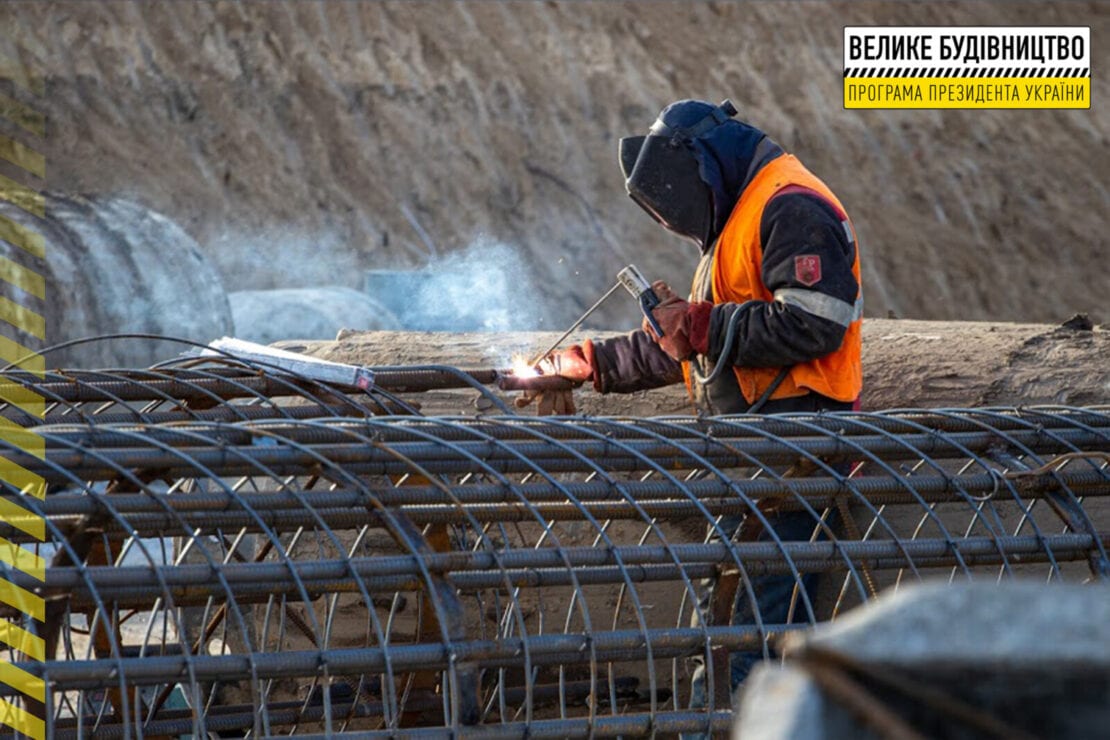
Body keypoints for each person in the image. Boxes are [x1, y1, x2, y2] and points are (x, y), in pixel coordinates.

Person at [528, 99, 863, 718]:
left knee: (760, 640)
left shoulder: (789, 203)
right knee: (737, 628)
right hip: (755, 460)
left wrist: (701, 324)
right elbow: (697, 349)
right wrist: (588, 364)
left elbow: (818, 322)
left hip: (797, 457)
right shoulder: (738, 220)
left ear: (705, 167)